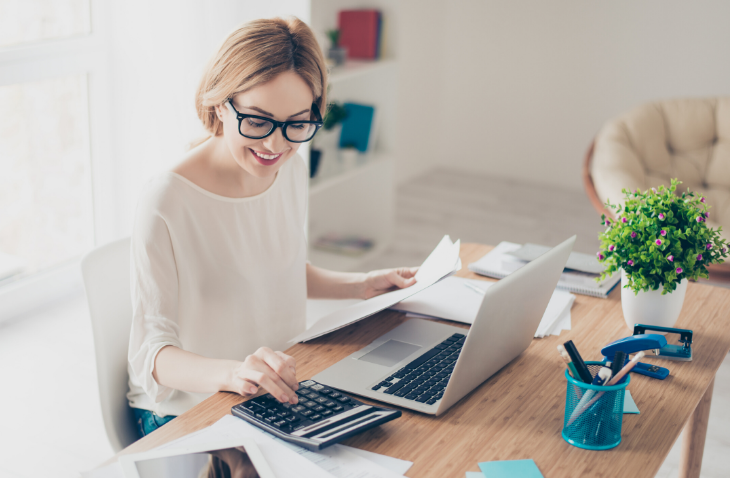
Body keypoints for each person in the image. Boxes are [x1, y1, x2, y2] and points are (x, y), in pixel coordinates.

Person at [126, 17, 418, 438]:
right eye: (258, 121)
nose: (276, 145)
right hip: (190, 410)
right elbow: (150, 356)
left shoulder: (290, 170)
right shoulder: (167, 199)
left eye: (297, 123)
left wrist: (363, 284)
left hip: (275, 396)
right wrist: (235, 373)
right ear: (221, 102)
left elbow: (278, 271)